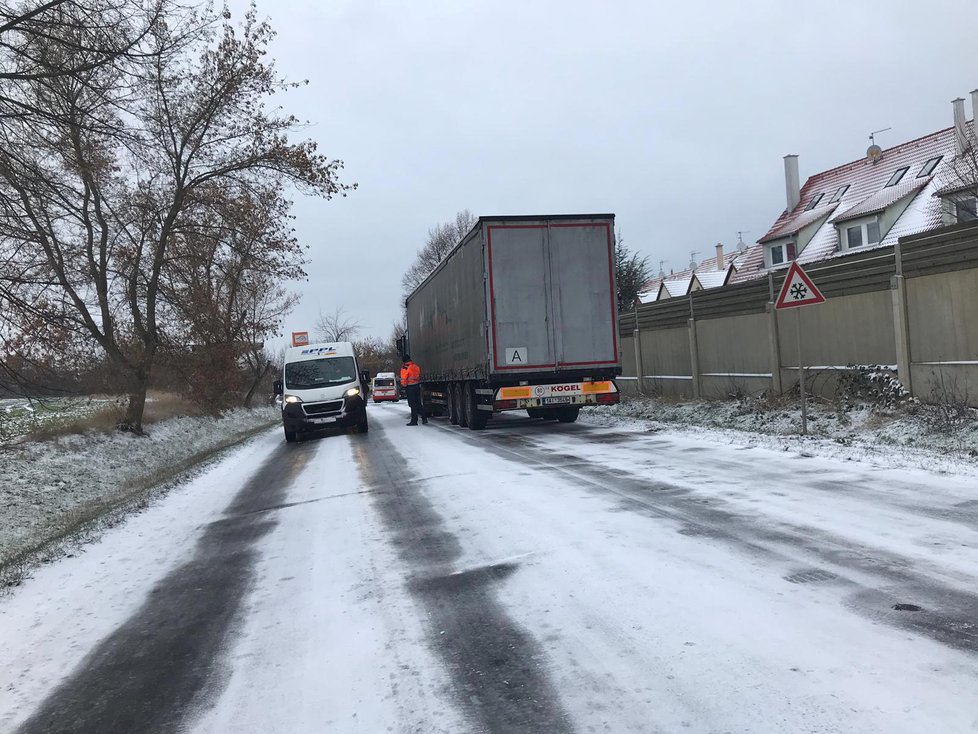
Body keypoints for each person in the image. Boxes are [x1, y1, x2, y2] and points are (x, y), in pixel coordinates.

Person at [400, 354, 427, 426]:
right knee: (418, 403)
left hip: (410, 387)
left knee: (412, 405)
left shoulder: (405, 367)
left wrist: (403, 385)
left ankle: (414, 421)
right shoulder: (415, 366)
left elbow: (404, 378)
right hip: (417, 386)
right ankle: (424, 418)